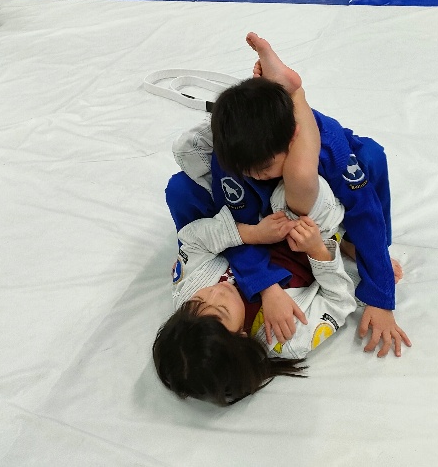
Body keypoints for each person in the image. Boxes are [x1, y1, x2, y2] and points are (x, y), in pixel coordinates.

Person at [169, 33, 410, 358]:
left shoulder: (329, 153)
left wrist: (380, 295)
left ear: (293, 141)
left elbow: (366, 213)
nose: (214, 294)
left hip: (311, 202)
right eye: (248, 172)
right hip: (286, 232)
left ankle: (294, 92)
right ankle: (289, 92)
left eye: (264, 169)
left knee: (371, 158)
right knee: (182, 190)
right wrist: (265, 277)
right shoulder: (236, 163)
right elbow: (231, 228)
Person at [153, 67, 357, 405]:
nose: (214, 292)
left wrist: (249, 233)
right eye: (221, 310)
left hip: (257, 222)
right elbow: (340, 302)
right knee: (299, 183)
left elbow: (192, 239)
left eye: (197, 302)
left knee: (185, 173)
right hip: (307, 234)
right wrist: (319, 252)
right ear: (243, 335)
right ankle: (296, 99)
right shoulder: (287, 338)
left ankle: (269, 114)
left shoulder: (188, 292)